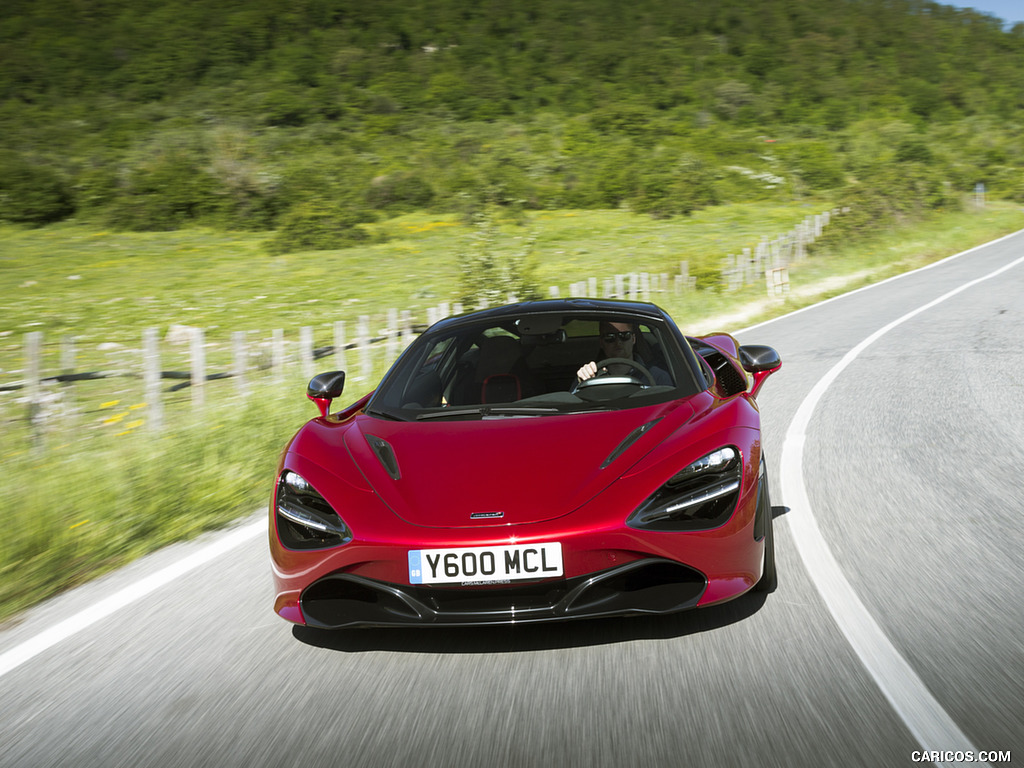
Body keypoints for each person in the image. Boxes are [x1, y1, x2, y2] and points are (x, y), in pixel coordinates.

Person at [576, 320, 672, 386]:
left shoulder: (657, 376)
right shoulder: (590, 376)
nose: (618, 342)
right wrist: (582, 382)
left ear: (633, 339)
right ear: (601, 342)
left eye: (625, 336)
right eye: (610, 337)